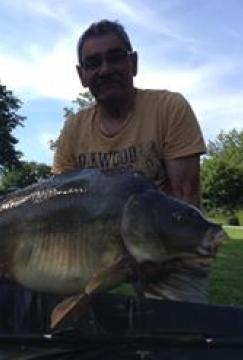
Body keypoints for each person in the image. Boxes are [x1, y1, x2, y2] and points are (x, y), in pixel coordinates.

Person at [53, 19, 211, 302]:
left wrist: (149, 254)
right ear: (82, 75)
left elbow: (186, 199)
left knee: (175, 332)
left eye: (115, 57)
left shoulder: (170, 108)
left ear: (133, 63)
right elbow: (59, 208)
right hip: (95, 246)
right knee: (44, 304)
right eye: (93, 63)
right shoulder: (73, 129)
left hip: (168, 246)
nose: (105, 70)